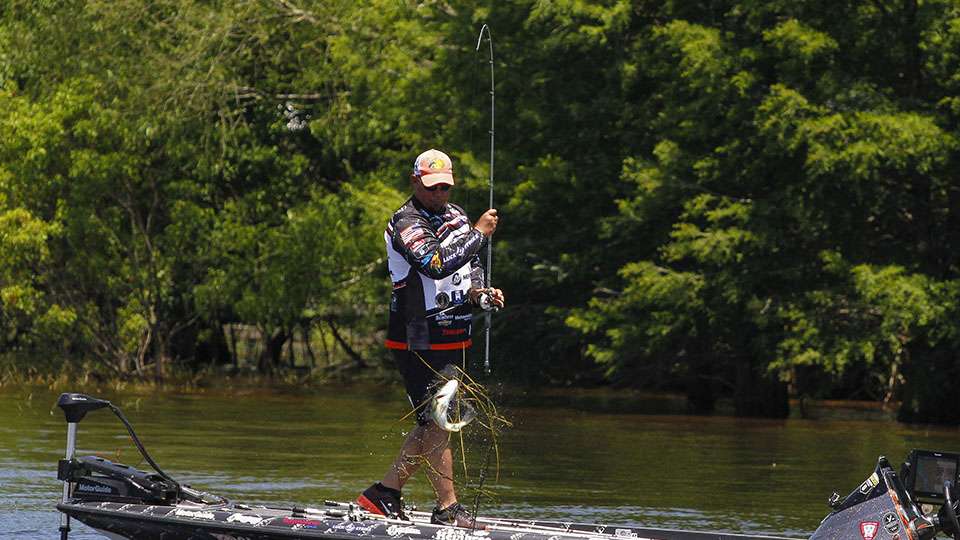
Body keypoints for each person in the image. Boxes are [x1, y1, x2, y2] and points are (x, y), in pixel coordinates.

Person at [357, 148, 505, 528]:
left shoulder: (455, 216)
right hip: (416, 337)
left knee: (432, 421)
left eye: (445, 187)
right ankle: (447, 508)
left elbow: (469, 267)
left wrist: (481, 294)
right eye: (432, 187)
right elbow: (435, 262)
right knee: (439, 419)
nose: (440, 194)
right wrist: (479, 233)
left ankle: (384, 493)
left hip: (453, 333)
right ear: (415, 182)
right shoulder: (405, 221)